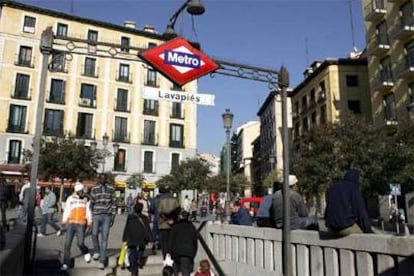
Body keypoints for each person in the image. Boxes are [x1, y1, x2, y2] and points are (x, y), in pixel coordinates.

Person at [325, 169, 373, 236]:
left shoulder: (332, 188)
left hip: (331, 229)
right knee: (365, 238)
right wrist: (369, 231)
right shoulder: (353, 188)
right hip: (345, 227)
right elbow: (361, 212)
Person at [61, 183, 92, 271]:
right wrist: (64, 220)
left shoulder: (86, 199)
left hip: (81, 224)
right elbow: (67, 209)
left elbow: (88, 211)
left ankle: (85, 251)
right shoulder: (70, 199)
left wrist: (89, 221)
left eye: (82, 191)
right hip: (71, 223)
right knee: (67, 244)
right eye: (80, 191)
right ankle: (66, 263)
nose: (82, 193)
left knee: (80, 243)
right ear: (76, 192)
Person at [90, 173, 117, 269]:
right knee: (94, 234)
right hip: (96, 215)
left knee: (104, 238)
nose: (102, 180)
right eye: (101, 178)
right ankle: (96, 251)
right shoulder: (94, 189)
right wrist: (91, 215)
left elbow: (114, 203)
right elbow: (91, 202)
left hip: (107, 215)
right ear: (99, 179)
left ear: (106, 179)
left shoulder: (111, 189)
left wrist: (113, 217)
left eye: (104, 178)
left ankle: (102, 260)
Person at [122, 202, 153, 276]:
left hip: (131, 237)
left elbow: (127, 228)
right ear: (141, 209)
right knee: (142, 247)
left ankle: (134, 271)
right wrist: (150, 238)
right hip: (141, 236)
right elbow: (147, 228)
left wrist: (124, 238)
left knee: (132, 253)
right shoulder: (144, 218)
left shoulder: (130, 217)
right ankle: (139, 258)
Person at [167, 210, 198, 276]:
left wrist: (169, 252)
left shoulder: (175, 227)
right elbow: (194, 242)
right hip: (187, 252)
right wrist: (193, 254)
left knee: (176, 271)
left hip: (176, 252)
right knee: (185, 271)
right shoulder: (191, 227)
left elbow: (170, 240)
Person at [157, 183, 180, 258]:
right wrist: (172, 220)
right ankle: (171, 255)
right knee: (172, 241)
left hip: (163, 224)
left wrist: (166, 220)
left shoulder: (160, 199)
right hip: (173, 224)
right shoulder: (174, 199)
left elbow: (160, 212)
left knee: (164, 242)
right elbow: (177, 211)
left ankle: (165, 256)